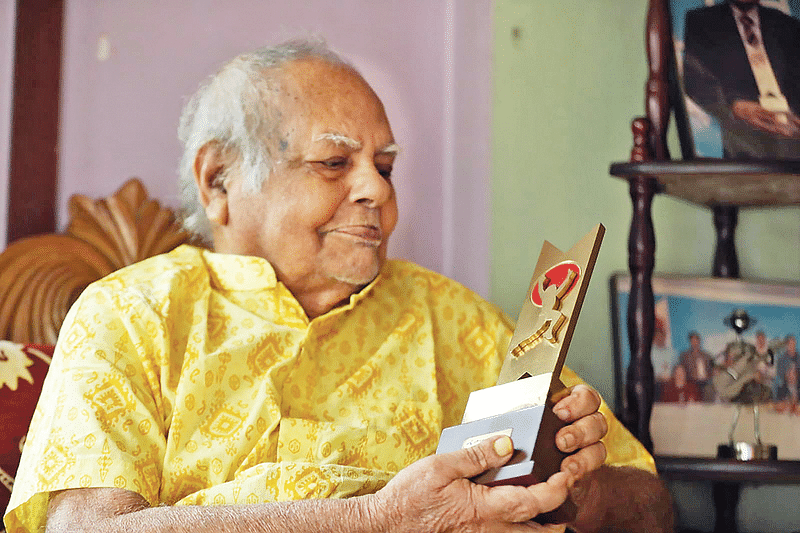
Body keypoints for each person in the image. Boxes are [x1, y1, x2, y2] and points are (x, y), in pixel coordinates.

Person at [5, 40, 671, 533]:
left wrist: (581, 494)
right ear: (218, 181)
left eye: (385, 166)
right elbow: (86, 530)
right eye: (334, 163)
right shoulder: (129, 312)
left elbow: (653, 503)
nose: (378, 190)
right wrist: (382, 518)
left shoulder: (453, 316)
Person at [682, 0, 800, 159]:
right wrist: (736, 106)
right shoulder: (702, 21)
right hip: (742, 133)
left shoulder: (787, 24)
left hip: (792, 126)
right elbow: (695, 79)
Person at [679, 332, 714, 401]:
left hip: (706, 381)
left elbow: (712, 370)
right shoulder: (685, 356)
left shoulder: (707, 356)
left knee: (710, 389)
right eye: (692, 340)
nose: (695, 342)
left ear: (699, 341)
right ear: (690, 342)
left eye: (696, 340)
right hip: (692, 381)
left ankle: (709, 410)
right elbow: (682, 371)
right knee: (692, 389)